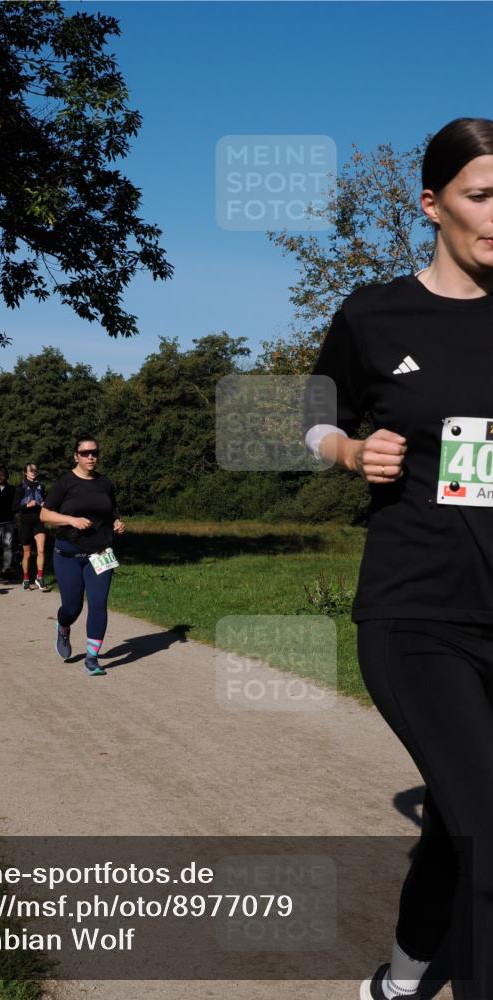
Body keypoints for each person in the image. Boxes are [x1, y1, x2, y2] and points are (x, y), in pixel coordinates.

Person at [303, 118, 493, 1000]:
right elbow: (314, 415)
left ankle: (404, 978)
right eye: (482, 197)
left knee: (462, 822)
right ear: (432, 205)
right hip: (418, 611)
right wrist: (350, 453)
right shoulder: (374, 315)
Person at [40, 436, 125, 675]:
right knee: (72, 607)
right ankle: (64, 627)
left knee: (98, 604)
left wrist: (118, 523)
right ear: (75, 455)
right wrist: (71, 520)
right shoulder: (65, 483)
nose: (91, 457)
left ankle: (92, 658)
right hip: (68, 554)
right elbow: (45, 515)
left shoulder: (105, 483)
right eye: (85, 453)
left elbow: (112, 512)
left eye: (94, 452)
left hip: (100, 553)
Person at [13, 463, 50, 591]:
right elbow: (14, 508)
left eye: (35, 470)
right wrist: (27, 506)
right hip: (25, 522)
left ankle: (39, 578)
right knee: (27, 553)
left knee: (41, 550)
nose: (33, 472)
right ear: (26, 472)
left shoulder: (41, 486)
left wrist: (45, 504)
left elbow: (44, 501)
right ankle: (26, 579)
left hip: (39, 521)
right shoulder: (20, 488)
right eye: (31, 470)